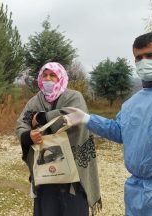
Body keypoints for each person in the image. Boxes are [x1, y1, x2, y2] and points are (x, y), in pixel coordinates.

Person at [64, 32, 152, 215]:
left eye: (150, 55)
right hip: (137, 193)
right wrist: (88, 119)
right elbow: (121, 131)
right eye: (138, 57)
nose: (143, 61)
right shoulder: (132, 103)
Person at [16, 62, 102, 216]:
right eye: (45, 75)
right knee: (48, 207)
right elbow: (22, 122)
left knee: (72, 208)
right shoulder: (35, 101)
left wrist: (42, 117)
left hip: (73, 169)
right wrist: (27, 136)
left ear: (61, 77)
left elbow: (74, 117)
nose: (48, 79)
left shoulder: (74, 97)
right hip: (45, 169)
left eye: (52, 75)